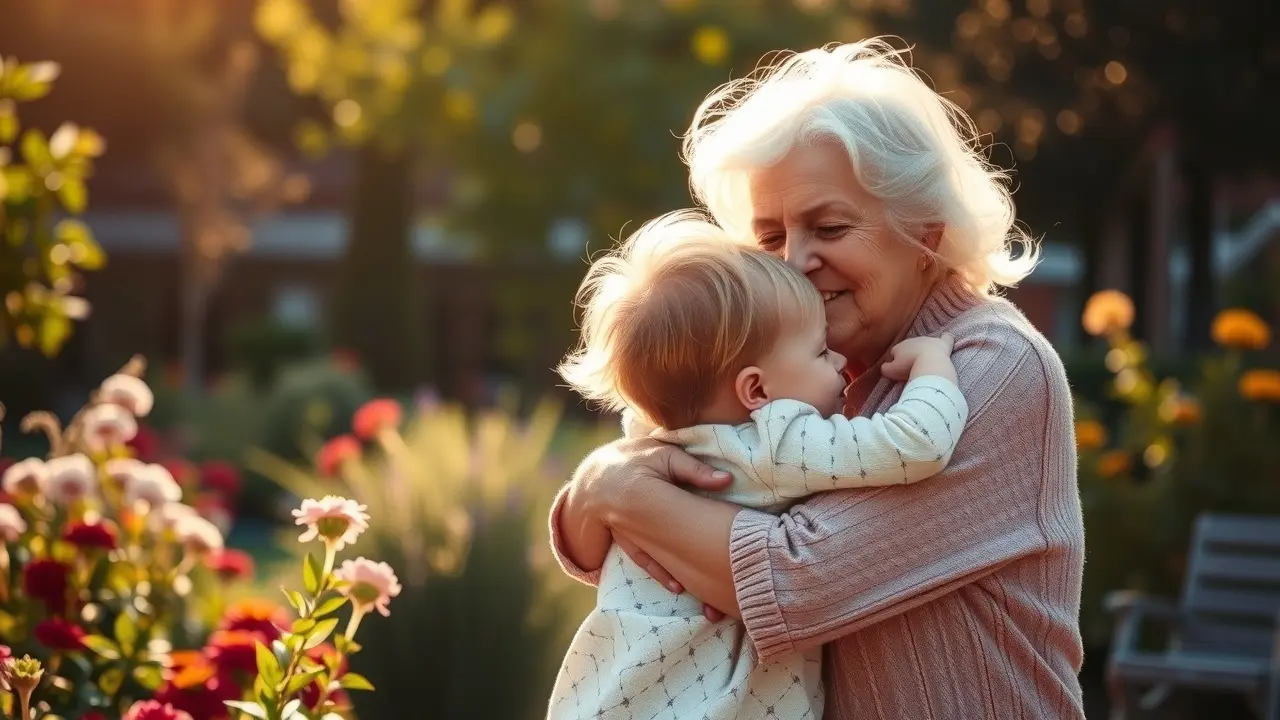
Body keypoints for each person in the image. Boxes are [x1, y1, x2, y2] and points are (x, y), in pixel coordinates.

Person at [547, 39, 1085, 719]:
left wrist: (623, 491)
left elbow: (797, 581)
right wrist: (597, 488)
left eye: (829, 226)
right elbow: (627, 551)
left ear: (926, 234)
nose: (797, 261)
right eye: (770, 237)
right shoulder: (799, 368)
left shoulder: (990, 369)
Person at [547, 212, 969, 719]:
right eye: (819, 352)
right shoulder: (777, 440)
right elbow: (916, 443)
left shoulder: (647, 444)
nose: (838, 363)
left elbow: (588, 541)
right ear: (757, 391)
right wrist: (934, 367)